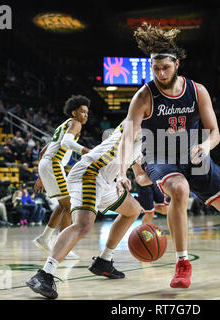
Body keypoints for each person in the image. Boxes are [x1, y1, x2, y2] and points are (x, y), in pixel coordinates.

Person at [115, 23, 220, 288]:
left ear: (177, 63)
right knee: (179, 189)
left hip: (194, 155)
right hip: (160, 155)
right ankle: (183, 263)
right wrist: (122, 170)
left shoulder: (197, 90)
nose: (160, 73)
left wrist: (206, 146)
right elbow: (127, 136)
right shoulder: (143, 96)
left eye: (165, 67)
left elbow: (215, 132)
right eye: (155, 68)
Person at [26, 123, 145, 299]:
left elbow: (141, 176)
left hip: (106, 181)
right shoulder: (139, 122)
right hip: (90, 172)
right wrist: (122, 174)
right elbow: (125, 143)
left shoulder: (147, 143)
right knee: (83, 225)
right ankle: (44, 274)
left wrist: (164, 180)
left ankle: (104, 261)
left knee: (133, 210)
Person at [33, 95, 91, 260]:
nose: (86, 115)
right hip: (53, 164)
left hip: (47, 164)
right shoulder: (75, 123)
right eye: (83, 112)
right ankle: (62, 246)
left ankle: (44, 238)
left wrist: (40, 176)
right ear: (74, 112)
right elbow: (66, 144)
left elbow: (43, 151)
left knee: (62, 204)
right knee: (70, 205)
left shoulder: (64, 124)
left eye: (87, 112)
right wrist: (87, 152)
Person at [131, 159, 168, 224]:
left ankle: (143, 205)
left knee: (165, 209)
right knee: (150, 213)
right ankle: (143, 233)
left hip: (154, 179)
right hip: (143, 182)